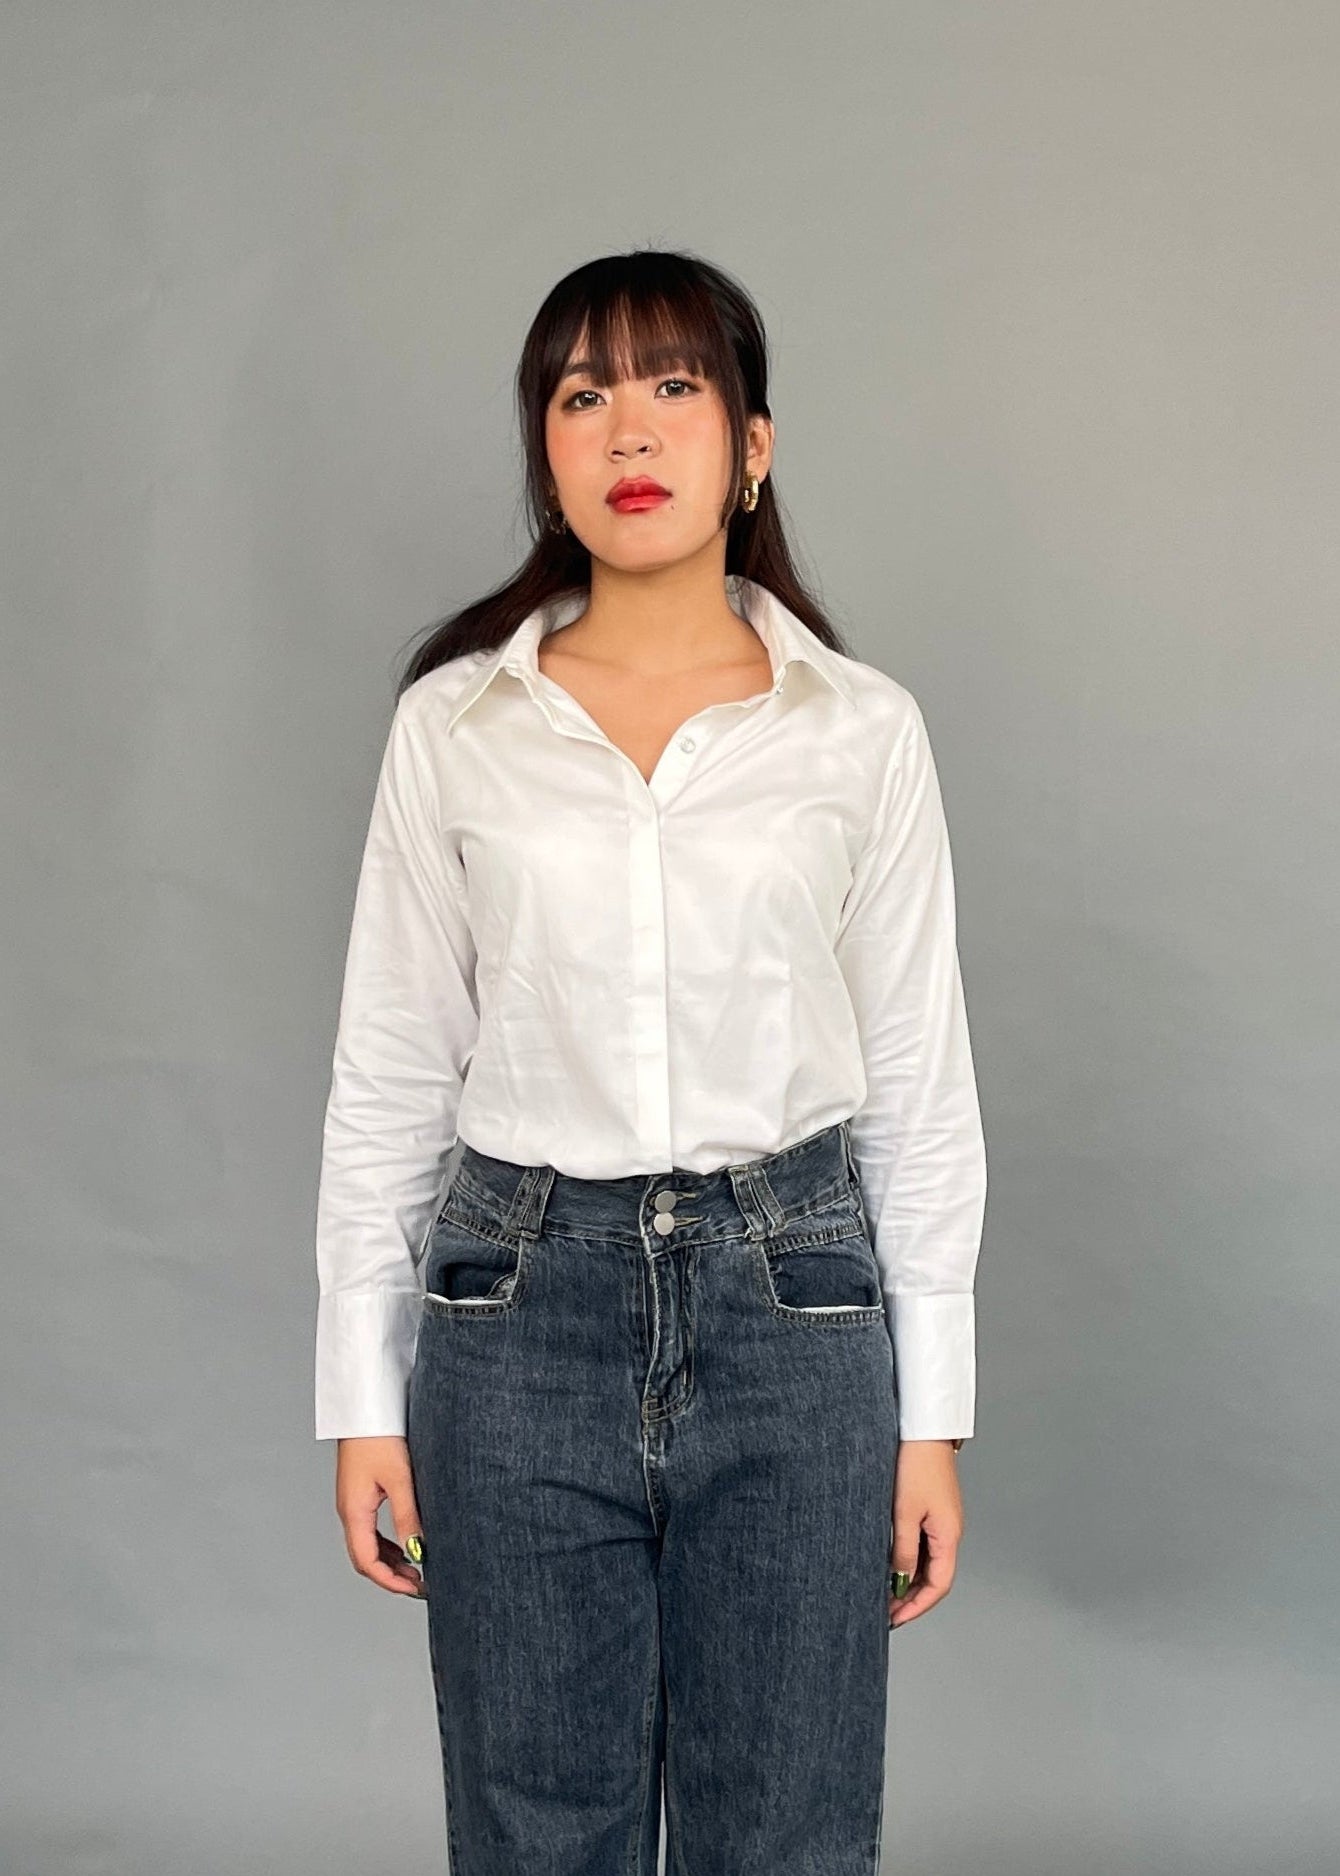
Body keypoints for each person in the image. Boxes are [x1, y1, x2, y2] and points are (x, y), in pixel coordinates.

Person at [313, 248, 988, 1875]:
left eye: (676, 384)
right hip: (514, 1316)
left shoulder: (859, 730)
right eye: (584, 392)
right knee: (539, 1830)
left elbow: (916, 1074)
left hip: (800, 1313)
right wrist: (359, 1392)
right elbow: (394, 1063)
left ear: (753, 446)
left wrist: (933, 1416)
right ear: (547, 453)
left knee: (789, 1828)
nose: (632, 428)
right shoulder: (458, 726)